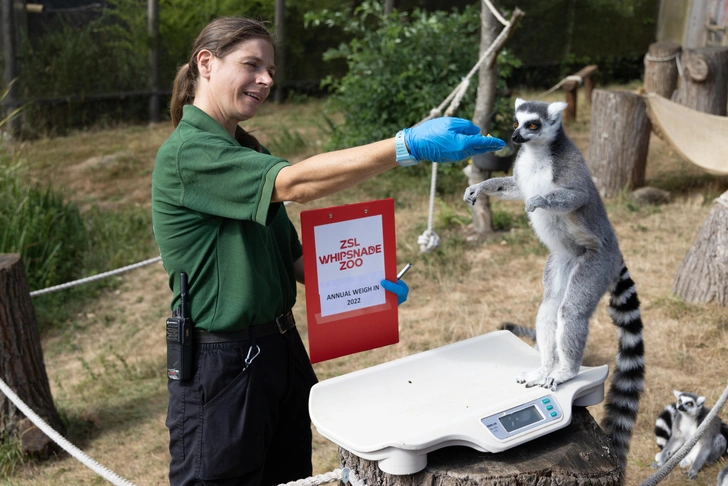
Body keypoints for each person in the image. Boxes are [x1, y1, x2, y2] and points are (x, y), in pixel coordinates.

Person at [151, 17, 505, 486]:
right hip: (224, 363)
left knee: (292, 477)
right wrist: (406, 146)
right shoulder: (188, 153)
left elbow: (294, 262)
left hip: (280, 350)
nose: (266, 80)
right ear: (206, 63)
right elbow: (298, 183)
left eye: (270, 69)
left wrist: (365, 285)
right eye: (251, 65)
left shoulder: (243, 151)